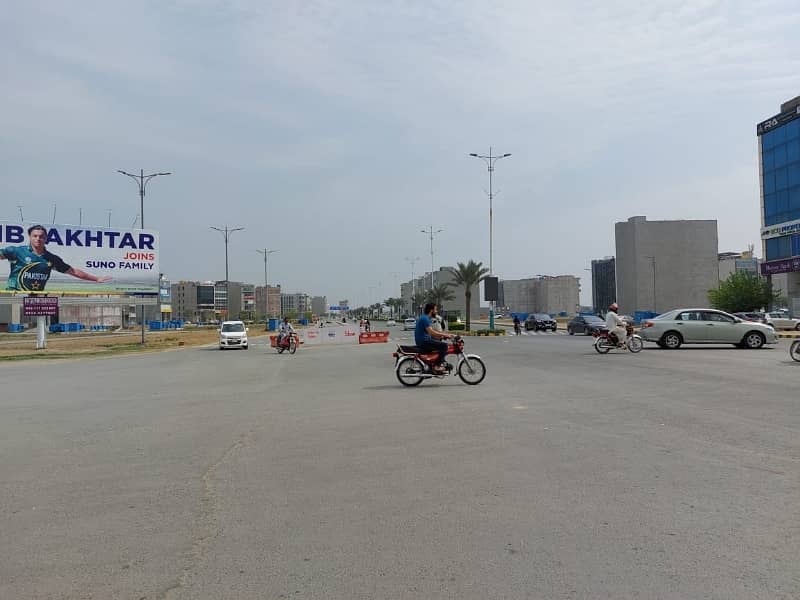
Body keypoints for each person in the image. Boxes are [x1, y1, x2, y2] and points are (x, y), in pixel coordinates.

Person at [0, 224, 113, 292]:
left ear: (46, 238)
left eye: (41, 236)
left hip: (35, 299)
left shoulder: (51, 258)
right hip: (15, 295)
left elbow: (73, 271)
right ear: (30, 237)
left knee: (37, 325)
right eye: (35, 236)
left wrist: (96, 279)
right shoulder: (17, 251)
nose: (38, 239)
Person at [415, 303, 453, 374]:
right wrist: (445, 335)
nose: (436, 311)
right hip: (424, 342)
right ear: (431, 310)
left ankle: (432, 366)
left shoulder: (425, 318)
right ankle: (437, 366)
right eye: (435, 310)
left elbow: (432, 333)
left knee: (438, 345)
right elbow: (432, 332)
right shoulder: (425, 319)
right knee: (444, 346)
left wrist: (442, 336)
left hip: (424, 340)